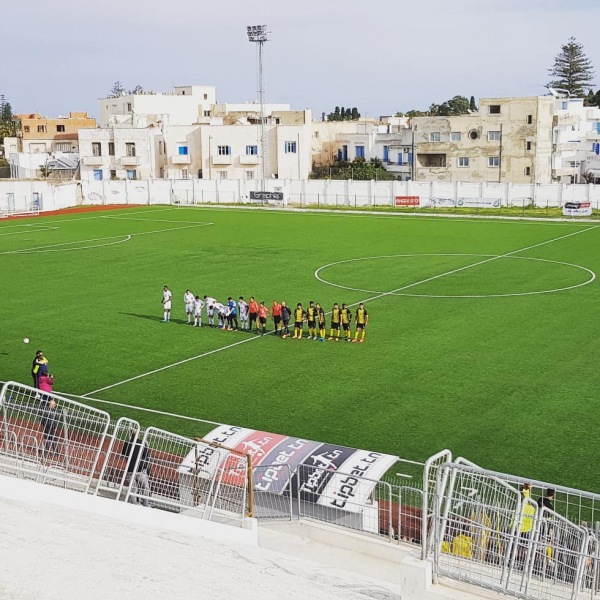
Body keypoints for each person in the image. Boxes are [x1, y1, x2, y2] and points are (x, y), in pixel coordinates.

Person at [121, 431, 151, 507]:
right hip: (140, 470)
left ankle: (135, 504)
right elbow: (147, 456)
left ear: (131, 434)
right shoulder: (143, 443)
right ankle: (145, 504)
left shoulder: (127, 443)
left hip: (130, 469)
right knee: (146, 488)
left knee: (133, 488)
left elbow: (123, 454)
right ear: (139, 435)